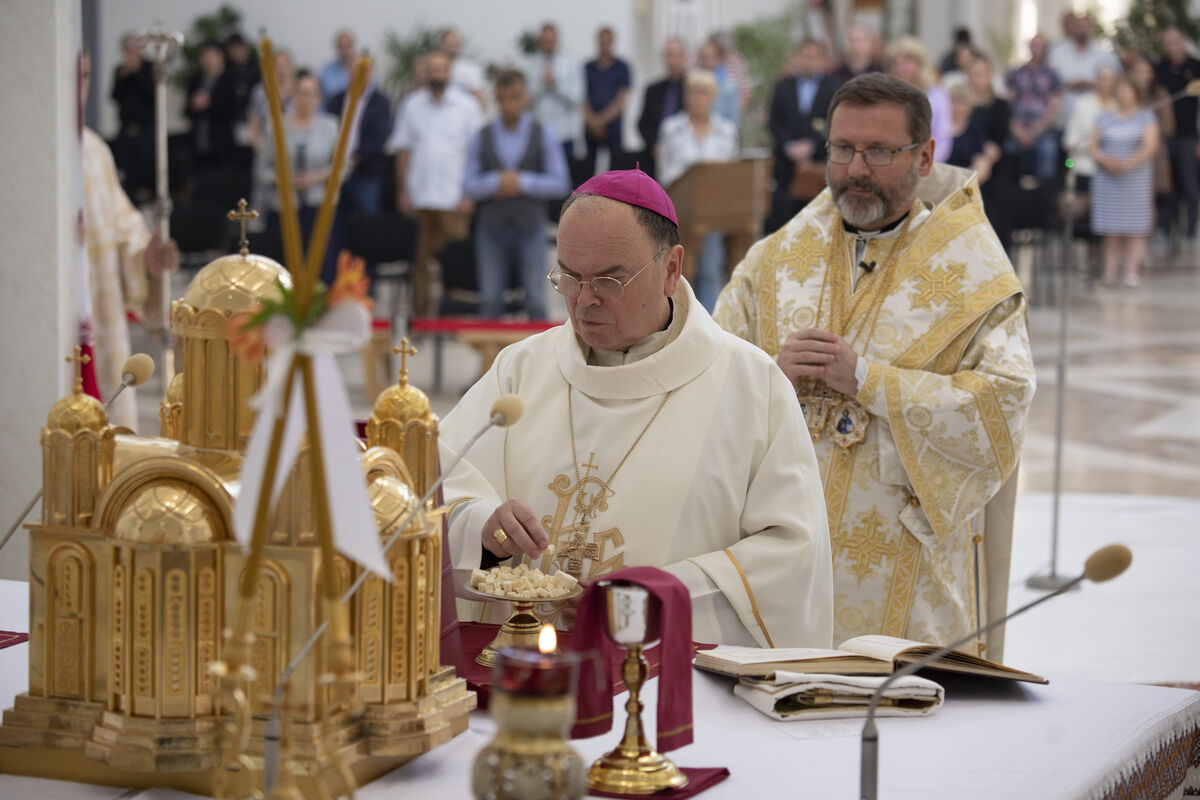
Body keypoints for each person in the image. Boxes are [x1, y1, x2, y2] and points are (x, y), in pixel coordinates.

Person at [440, 168, 834, 647]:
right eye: (568, 276)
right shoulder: (521, 369)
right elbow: (439, 484)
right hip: (519, 666)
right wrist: (481, 527)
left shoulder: (753, 386)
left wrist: (654, 599)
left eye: (609, 279)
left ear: (670, 269)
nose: (584, 301)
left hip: (667, 680)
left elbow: (791, 551)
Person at [714, 73, 1035, 651]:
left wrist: (868, 380)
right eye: (843, 149)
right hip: (784, 549)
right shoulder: (776, 259)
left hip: (905, 562)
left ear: (925, 156)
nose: (856, 169)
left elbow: (1003, 398)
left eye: (880, 151)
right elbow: (710, 374)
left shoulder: (974, 272)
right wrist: (771, 372)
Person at [81, 50, 178, 430]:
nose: (79, 87)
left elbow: (125, 232)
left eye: (86, 75)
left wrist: (146, 261)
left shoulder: (94, 152)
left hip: (93, 322)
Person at [463, 68, 570, 318]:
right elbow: (468, 185)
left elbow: (560, 182)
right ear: (496, 99)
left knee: (535, 300)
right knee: (489, 302)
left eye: (515, 96)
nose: (509, 104)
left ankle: (540, 358)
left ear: (526, 97)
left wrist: (521, 182)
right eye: (503, 97)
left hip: (531, 227)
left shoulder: (543, 133)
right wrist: (496, 183)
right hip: (490, 228)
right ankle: (493, 359)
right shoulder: (482, 136)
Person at [390, 51, 483, 317]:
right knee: (420, 263)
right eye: (431, 69)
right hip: (420, 198)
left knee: (454, 262)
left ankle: (453, 318)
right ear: (425, 73)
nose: (437, 74)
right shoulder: (411, 105)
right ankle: (421, 318)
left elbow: (476, 155)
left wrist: (469, 194)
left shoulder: (467, 106)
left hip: (454, 198)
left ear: (449, 73)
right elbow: (403, 151)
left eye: (441, 69)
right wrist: (403, 191)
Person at [656, 70, 738, 311]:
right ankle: (680, 321)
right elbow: (666, 172)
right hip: (681, 212)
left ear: (713, 97)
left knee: (710, 271)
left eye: (703, 92)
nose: (697, 97)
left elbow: (731, 173)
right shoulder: (672, 128)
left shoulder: (727, 130)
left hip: (713, 213)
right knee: (681, 271)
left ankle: (710, 326)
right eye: (692, 91)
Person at [256, 70, 343, 284]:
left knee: (320, 266)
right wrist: (283, 180)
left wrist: (318, 177)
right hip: (284, 207)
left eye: (310, 94)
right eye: (300, 93)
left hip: (318, 205)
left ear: (318, 98)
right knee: (283, 267)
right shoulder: (275, 126)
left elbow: (343, 167)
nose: (304, 99)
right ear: (292, 96)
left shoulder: (330, 126)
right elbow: (261, 170)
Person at [1090, 76, 1158, 288]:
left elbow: (1150, 147)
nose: (1123, 94)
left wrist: (1127, 163)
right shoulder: (1104, 118)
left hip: (1135, 178)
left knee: (1135, 227)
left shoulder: (1146, 117)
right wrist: (1105, 160)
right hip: (1108, 178)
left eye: (1127, 90)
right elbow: (1092, 146)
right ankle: (1109, 272)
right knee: (1111, 228)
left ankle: (1131, 272)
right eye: (1120, 90)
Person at [766, 39, 839, 233]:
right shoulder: (783, 86)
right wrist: (788, 146)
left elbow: (832, 122)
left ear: (822, 60)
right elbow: (775, 121)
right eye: (804, 55)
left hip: (817, 165)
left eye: (813, 56)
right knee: (784, 225)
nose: (808, 60)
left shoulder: (832, 88)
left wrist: (812, 145)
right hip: (786, 167)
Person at [326, 62, 393, 229]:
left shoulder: (381, 102)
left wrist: (357, 156)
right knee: (334, 221)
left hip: (367, 172)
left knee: (368, 223)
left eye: (365, 70)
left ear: (372, 73)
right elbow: (327, 131)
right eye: (355, 70)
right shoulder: (336, 99)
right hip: (335, 171)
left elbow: (381, 136)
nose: (360, 74)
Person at [1153, 26, 1200, 255]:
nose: (1172, 46)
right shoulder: (1159, 68)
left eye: (1176, 41)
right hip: (1163, 139)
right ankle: (1163, 231)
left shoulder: (1195, 67)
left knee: (1190, 186)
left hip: (1189, 137)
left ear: (1183, 41)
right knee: (1165, 186)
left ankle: (1192, 231)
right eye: (1168, 42)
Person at [967, 56, 1016, 251]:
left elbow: (998, 142)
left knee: (998, 206)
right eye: (972, 74)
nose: (976, 79)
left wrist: (984, 160)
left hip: (994, 168)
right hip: (967, 165)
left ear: (990, 76)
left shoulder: (1000, 106)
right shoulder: (964, 106)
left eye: (980, 74)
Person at [525, 23, 584, 167]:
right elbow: (524, 101)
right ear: (540, 41)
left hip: (564, 133)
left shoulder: (571, 63)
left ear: (557, 40)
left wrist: (555, 86)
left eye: (551, 40)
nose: (548, 44)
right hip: (538, 133)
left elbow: (577, 99)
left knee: (566, 182)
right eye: (544, 40)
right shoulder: (528, 64)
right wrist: (542, 86)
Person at [1006, 34, 1063, 183]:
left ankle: (1045, 198)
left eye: (1040, 46)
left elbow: (1055, 106)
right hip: (1018, 130)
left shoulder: (1052, 74)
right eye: (1033, 45)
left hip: (1042, 130)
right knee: (1007, 151)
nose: (1036, 49)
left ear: (1045, 49)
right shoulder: (1016, 73)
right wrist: (1017, 130)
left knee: (1048, 150)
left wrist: (1037, 130)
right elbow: (1008, 104)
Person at [1049, 12, 1119, 130]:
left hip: (1094, 121)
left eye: (1085, 26)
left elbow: (1116, 81)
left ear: (1091, 28)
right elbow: (1048, 82)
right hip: (1062, 117)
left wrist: (1092, 84)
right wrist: (1069, 85)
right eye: (1078, 26)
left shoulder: (1104, 55)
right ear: (1073, 28)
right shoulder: (1057, 53)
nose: (1081, 30)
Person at [887, 37, 952, 163]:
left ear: (919, 64)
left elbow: (943, 137)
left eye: (906, 62)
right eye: (896, 63)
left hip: (930, 165)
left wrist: (925, 163)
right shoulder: (888, 96)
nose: (901, 68)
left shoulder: (937, 95)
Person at [109, 33, 155, 201]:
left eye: (133, 50)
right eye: (127, 50)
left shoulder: (150, 68)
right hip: (126, 128)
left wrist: (136, 72)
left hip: (146, 129)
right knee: (126, 167)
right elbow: (114, 95)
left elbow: (151, 94)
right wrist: (125, 75)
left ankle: (145, 195)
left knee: (146, 166)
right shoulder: (120, 71)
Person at [582, 26, 632, 176]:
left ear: (612, 43)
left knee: (616, 170)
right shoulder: (587, 67)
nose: (604, 46)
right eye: (601, 42)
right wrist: (593, 121)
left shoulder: (622, 67)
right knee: (588, 171)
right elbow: (581, 98)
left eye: (607, 42)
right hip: (590, 126)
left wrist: (601, 121)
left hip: (613, 126)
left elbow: (622, 99)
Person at [636, 37, 687, 180]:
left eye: (676, 55)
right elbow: (642, 123)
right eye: (669, 55)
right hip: (654, 156)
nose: (672, 60)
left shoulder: (691, 90)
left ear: (684, 57)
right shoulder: (653, 89)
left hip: (682, 157)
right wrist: (653, 144)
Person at [185, 40, 238, 167]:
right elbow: (186, 111)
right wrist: (194, 106)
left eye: (212, 55)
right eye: (205, 55)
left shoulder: (230, 79)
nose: (208, 59)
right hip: (198, 142)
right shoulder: (196, 79)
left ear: (221, 56)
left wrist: (209, 104)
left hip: (221, 144)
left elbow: (233, 111)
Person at [696, 39, 741, 129]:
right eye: (700, 57)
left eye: (706, 58)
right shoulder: (693, 83)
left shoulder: (729, 86)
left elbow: (733, 119)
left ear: (718, 59)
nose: (702, 62)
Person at [439, 27, 487, 109]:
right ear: (442, 45)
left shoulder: (469, 69)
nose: (452, 48)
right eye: (449, 44)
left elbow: (478, 96)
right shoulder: (434, 67)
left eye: (455, 44)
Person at [320, 29, 356, 100]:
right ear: (336, 47)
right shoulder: (326, 71)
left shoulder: (364, 69)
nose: (344, 51)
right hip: (332, 109)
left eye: (347, 46)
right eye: (341, 46)